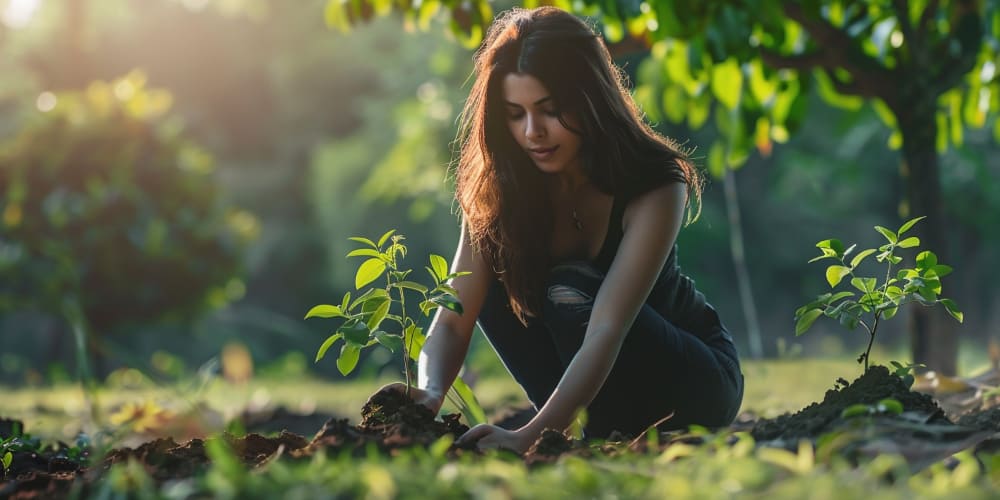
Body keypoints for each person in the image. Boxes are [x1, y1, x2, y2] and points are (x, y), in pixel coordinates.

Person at [374, 6, 743, 453]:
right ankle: (590, 425)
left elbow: (608, 326)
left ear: (589, 99)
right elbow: (452, 320)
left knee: (568, 289)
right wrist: (430, 394)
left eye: (550, 110)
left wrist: (530, 436)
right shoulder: (499, 190)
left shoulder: (655, 182)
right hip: (595, 398)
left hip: (692, 381)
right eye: (515, 114)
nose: (533, 132)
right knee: (493, 276)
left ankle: (574, 424)